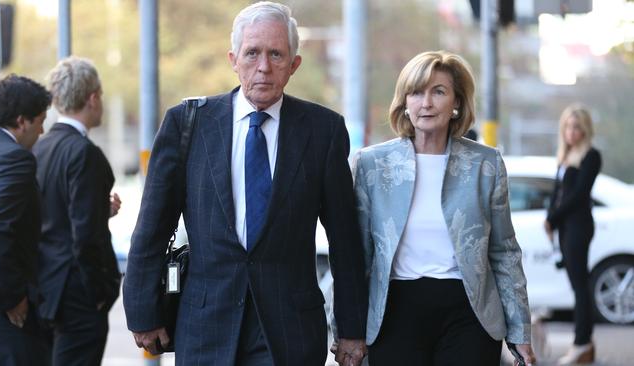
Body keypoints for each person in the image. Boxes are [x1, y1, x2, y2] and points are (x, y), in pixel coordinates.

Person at [123, 2, 368, 365]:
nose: (264, 67)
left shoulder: (323, 131)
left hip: (289, 329)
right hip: (205, 325)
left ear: (294, 64)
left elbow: (345, 240)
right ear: (233, 59)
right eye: (252, 53)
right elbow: (153, 226)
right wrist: (143, 309)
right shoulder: (188, 125)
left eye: (276, 54)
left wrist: (351, 329)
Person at [347, 50, 536, 366]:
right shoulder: (373, 164)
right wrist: (346, 330)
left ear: (457, 102)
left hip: (469, 313)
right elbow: (357, 254)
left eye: (438, 91)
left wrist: (520, 330)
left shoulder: (485, 164)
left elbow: (504, 252)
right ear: (405, 102)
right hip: (395, 313)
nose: (427, 103)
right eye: (417, 92)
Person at [32, 56, 122, 365]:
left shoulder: (39, 148)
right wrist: (100, 292)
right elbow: (85, 236)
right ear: (93, 98)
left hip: (45, 290)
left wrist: (100, 210)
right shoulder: (85, 154)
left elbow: (49, 214)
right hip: (77, 296)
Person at [0, 75, 52, 365]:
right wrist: (12, 297)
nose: (42, 130)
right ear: (21, 121)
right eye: (40, 120)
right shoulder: (14, 158)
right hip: (1, 315)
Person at [545, 104, 601, 365]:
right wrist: (551, 220)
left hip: (579, 226)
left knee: (580, 287)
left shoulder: (591, 156)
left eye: (577, 126)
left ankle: (582, 343)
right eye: (568, 126)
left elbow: (578, 196)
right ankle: (584, 345)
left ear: (585, 129)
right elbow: (557, 194)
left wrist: (552, 218)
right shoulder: (565, 155)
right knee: (576, 285)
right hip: (565, 227)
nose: (572, 131)